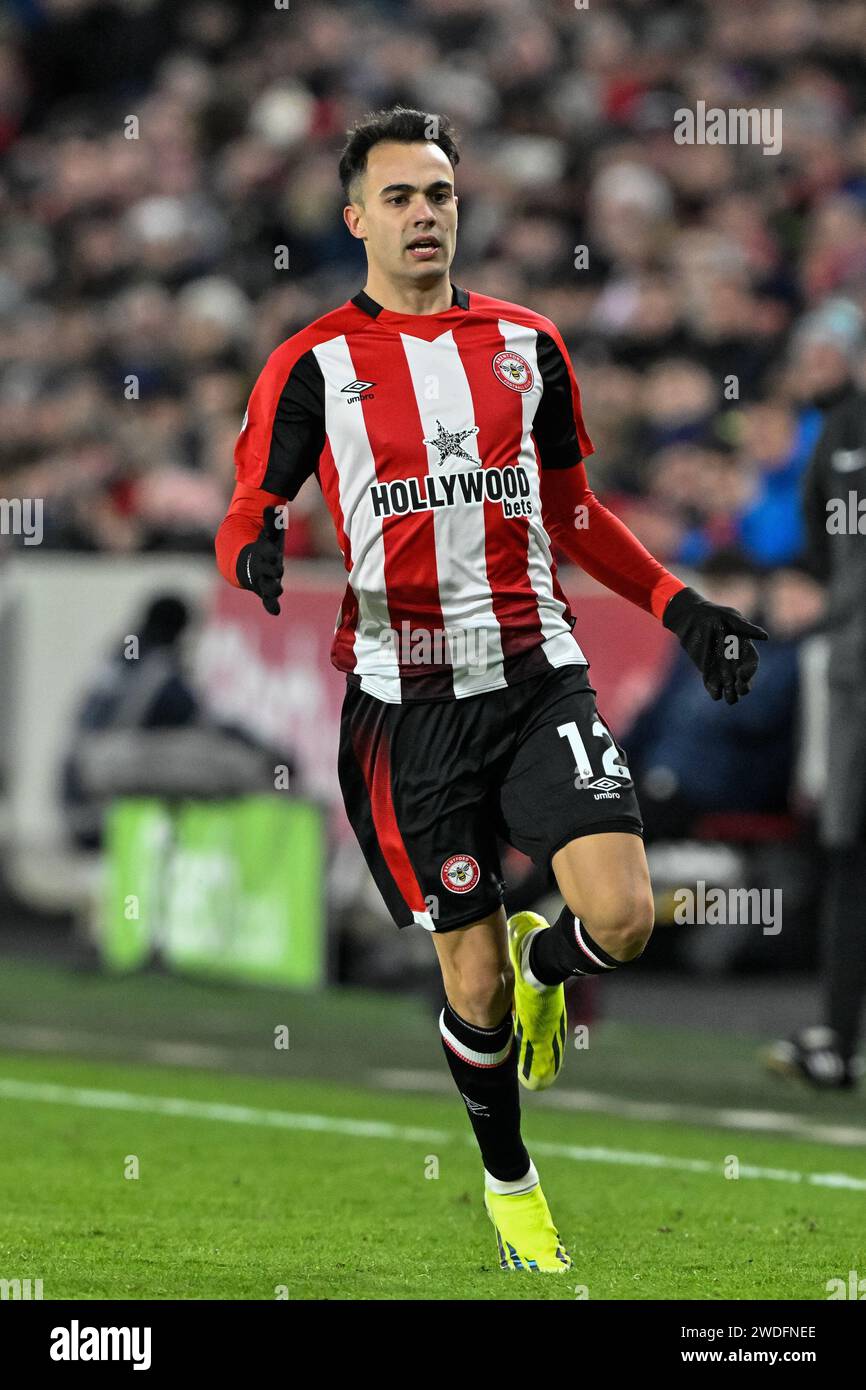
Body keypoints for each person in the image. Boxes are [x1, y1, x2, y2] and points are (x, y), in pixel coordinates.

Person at [214, 107, 766, 1274]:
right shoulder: (310, 362)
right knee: (461, 975)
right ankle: (511, 1185)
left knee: (619, 914)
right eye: (401, 197)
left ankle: (547, 967)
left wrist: (683, 607)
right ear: (355, 217)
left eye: (440, 194)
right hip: (402, 714)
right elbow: (246, 507)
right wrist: (254, 552)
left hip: (533, 674)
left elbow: (568, 513)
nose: (425, 215)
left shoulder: (526, 343)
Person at [766, 387, 866, 1089]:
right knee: (849, 854)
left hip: (857, 660)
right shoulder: (841, 424)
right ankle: (834, 1038)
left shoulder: (843, 425)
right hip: (856, 663)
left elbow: (820, 543)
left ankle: (835, 1039)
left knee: (852, 856)